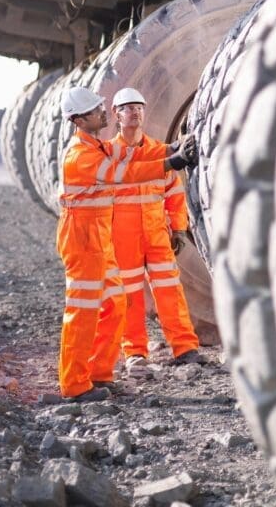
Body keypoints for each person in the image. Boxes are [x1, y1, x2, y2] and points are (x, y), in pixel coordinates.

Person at [56, 85, 194, 401]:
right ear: (79, 120)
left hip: (98, 237)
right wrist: (171, 163)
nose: (103, 112)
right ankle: (75, 385)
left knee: (115, 302)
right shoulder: (81, 156)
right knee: (82, 311)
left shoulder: (98, 148)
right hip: (82, 240)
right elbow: (125, 173)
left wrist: (172, 148)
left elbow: (134, 153)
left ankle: (99, 375)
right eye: (95, 110)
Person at [109, 86, 204, 374]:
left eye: (139, 108)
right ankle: (135, 352)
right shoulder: (110, 154)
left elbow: (174, 193)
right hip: (123, 236)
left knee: (170, 290)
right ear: (116, 115)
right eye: (128, 108)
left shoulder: (155, 150)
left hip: (156, 233)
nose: (134, 113)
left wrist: (178, 229)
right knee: (130, 295)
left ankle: (185, 348)